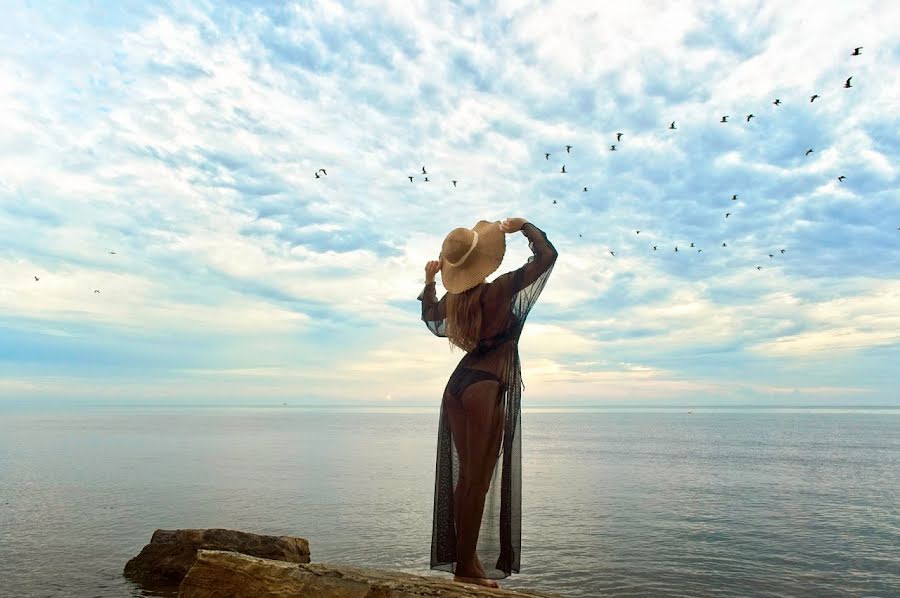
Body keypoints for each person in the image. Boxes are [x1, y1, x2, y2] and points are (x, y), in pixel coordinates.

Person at [418, 217, 557, 588]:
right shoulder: (498, 291)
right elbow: (546, 257)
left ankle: (468, 561)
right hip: (485, 387)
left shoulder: (454, 301)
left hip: (458, 386)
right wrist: (525, 226)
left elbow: (430, 319)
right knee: (476, 482)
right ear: (483, 259)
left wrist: (430, 282)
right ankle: (466, 569)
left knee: (468, 479)